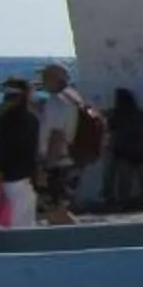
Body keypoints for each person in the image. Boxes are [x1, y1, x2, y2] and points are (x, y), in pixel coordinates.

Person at [34, 61, 87, 223]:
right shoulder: (74, 98)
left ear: (55, 79)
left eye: (45, 77)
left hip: (57, 164)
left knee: (55, 210)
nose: (42, 81)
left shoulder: (56, 101)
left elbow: (56, 136)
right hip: (70, 160)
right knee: (57, 211)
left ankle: (79, 235)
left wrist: (46, 169)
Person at [0, 76, 40, 231]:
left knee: (12, 222)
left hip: (12, 176)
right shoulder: (33, 118)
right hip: (30, 176)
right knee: (27, 220)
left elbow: (2, 152)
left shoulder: (7, 120)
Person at [105, 87, 143, 206]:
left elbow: (111, 128)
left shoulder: (116, 114)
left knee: (125, 178)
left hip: (122, 148)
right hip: (138, 148)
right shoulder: (139, 113)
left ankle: (124, 200)